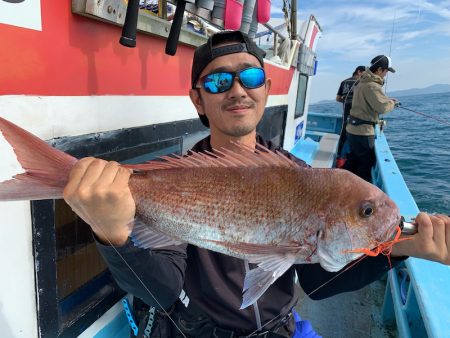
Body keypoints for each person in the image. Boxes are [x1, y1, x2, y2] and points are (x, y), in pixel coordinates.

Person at [62, 33, 450, 337]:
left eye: (250, 77)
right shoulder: (180, 177)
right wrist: (112, 235)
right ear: (197, 100)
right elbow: (160, 293)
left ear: (265, 90)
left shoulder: (303, 176)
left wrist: (401, 250)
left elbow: (315, 282)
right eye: (217, 81)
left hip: (276, 330)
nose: (237, 90)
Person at [345, 55, 398, 182]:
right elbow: (382, 107)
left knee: (353, 160)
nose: (385, 75)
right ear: (379, 70)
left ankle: (346, 186)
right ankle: (357, 194)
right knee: (365, 165)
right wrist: (393, 103)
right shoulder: (372, 85)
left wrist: (387, 101)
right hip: (363, 132)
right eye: (386, 71)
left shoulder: (361, 82)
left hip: (352, 129)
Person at [335, 65, 366, 162]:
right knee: (356, 132)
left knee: (343, 132)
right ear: (359, 72)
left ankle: (339, 155)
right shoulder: (362, 83)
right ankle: (353, 157)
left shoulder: (344, 82)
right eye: (365, 73)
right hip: (357, 111)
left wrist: (346, 101)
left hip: (346, 110)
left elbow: (338, 99)